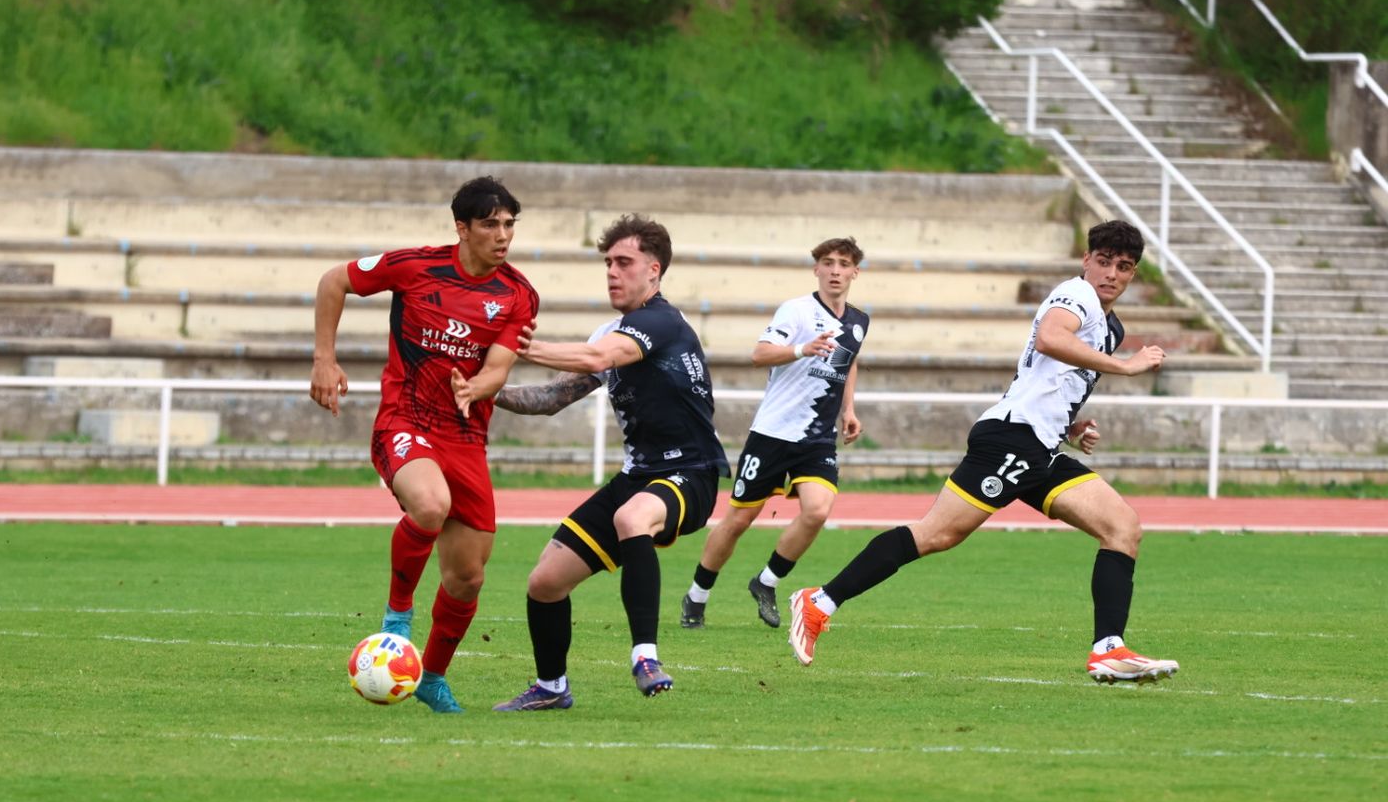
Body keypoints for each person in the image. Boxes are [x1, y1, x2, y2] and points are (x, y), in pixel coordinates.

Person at [786, 219, 1180, 684]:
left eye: (1125, 266)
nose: (1113, 273)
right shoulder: (1075, 295)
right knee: (935, 535)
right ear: (1086, 261)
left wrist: (1070, 428)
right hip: (1010, 441)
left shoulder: (1109, 326)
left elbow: (1041, 379)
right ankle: (818, 602)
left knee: (1123, 528)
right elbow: (1051, 338)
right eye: (1105, 261)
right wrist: (1126, 367)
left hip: (1040, 446)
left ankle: (1108, 649)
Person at [310, 176, 540, 714]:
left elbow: (499, 367)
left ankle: (432, 677)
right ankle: (396, 616)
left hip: (466, 439)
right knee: (430, 504)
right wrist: (324, 357)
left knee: (468, 576)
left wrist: (478, 387)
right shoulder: (415, 266)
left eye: (509, 224)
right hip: (405, 418)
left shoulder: (518, 294)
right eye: (490, 224)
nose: (502, 235)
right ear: (461, 228)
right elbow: (332, 281)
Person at [482, 214, 729, 712]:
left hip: (691, 473)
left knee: (631, 517)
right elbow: (551, 399)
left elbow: (596, 359)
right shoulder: (610, 332)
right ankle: (551, 687)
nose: (613, 272)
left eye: (624, 262)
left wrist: (517, 345)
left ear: (654, 272)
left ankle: (646, 657)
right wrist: (484, 391)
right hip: (639, 477)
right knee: (545, 582)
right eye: (608, 263)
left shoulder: (660, 322)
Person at [681, 237, 868, 631]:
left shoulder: (859, 321)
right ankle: (696, 596)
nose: (835, 270)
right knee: (737, 521)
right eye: (828, 262)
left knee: (817, 510)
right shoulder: (796, 311)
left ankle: (766, 582)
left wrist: (848, 409)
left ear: (855, 272)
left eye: (844, 264)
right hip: (772, 434)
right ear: (816, 268)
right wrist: (802, 349)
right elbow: (759, 354)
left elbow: (849, 361)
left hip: (816, 438)